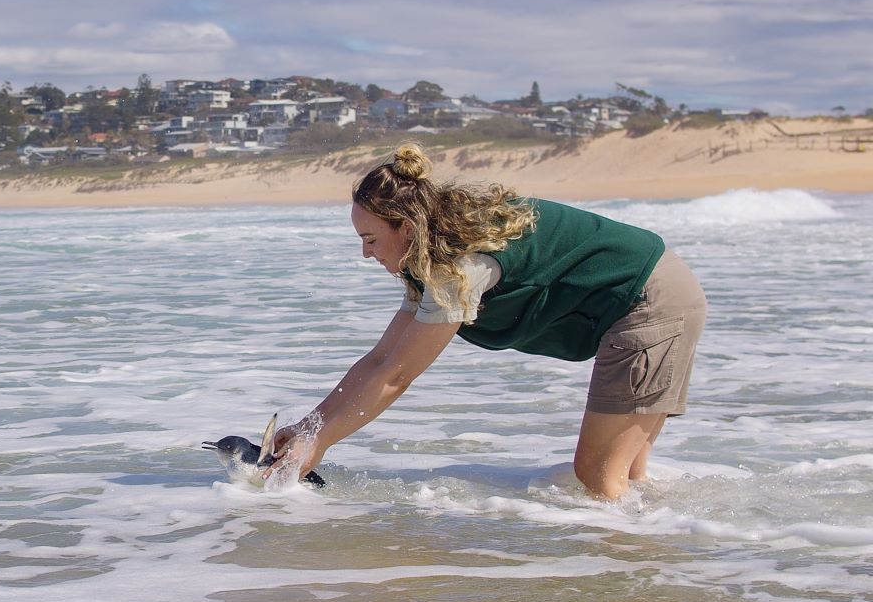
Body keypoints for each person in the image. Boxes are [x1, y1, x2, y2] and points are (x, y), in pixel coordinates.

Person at [266, 144, 706, 499]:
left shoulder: (459, 268)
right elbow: (381, 358)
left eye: (370, 239)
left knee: (597, 475)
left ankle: (628, 570)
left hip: (649, 300)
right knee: (627, 476)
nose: (366, 254)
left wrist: (319, 443)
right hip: (658, 291)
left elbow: (397, 375)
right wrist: (310, 427)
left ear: (407, 228)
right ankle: (663, 545)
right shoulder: (436, 251)